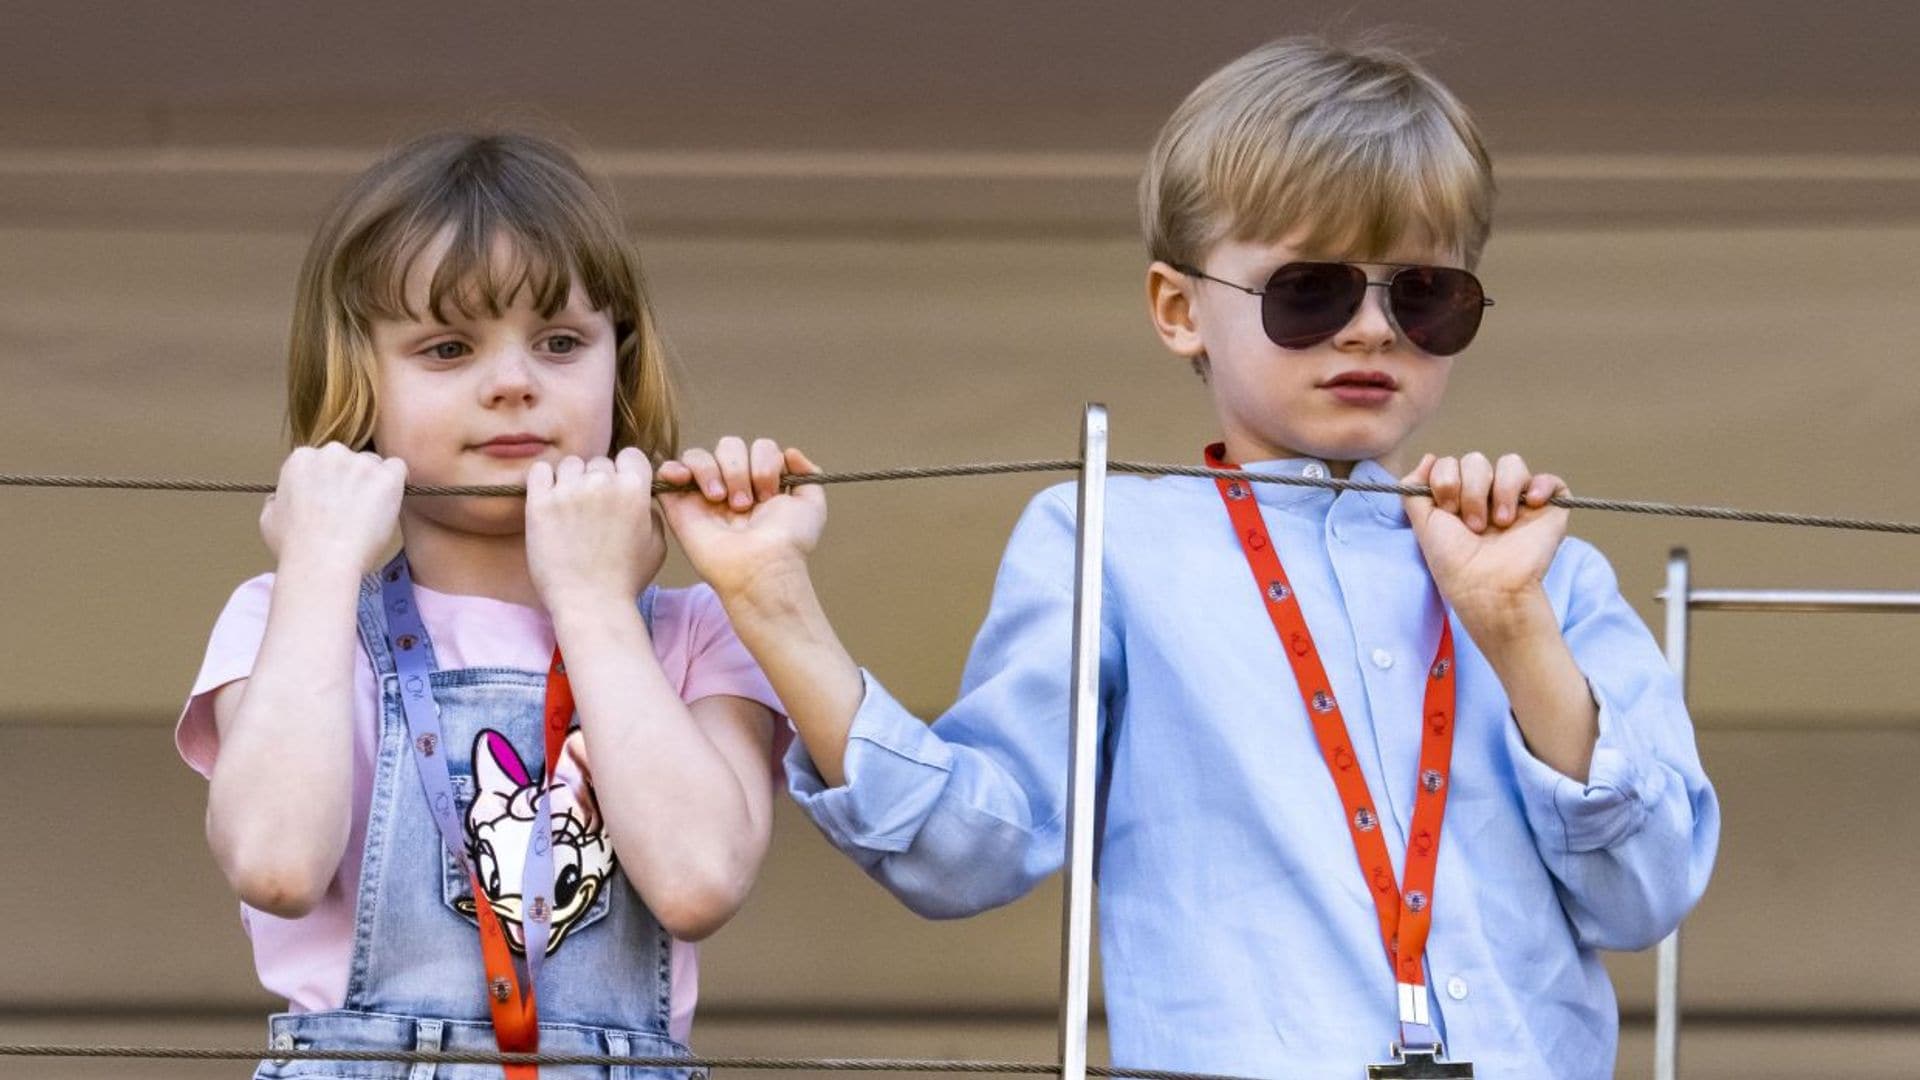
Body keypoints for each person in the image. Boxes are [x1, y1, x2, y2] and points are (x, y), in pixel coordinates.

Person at [659, 38, 1720, 1079]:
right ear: (1179, 310)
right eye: (1312, 290)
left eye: (1424, 295)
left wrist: (1512, 623)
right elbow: (963, 851)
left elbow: (1648, 895)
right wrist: (768, 595)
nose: (1370, 330)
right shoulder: (1107, 541)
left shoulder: (1552, 576)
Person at [178, 131, 784, 1079]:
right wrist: (322, 566)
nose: (513, 382)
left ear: (618, 363)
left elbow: (699, 880)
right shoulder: (287, 611)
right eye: (448, 347)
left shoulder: (695, 630)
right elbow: (275, 864)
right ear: (356, 379)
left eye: (560, 342)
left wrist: (590, 597)